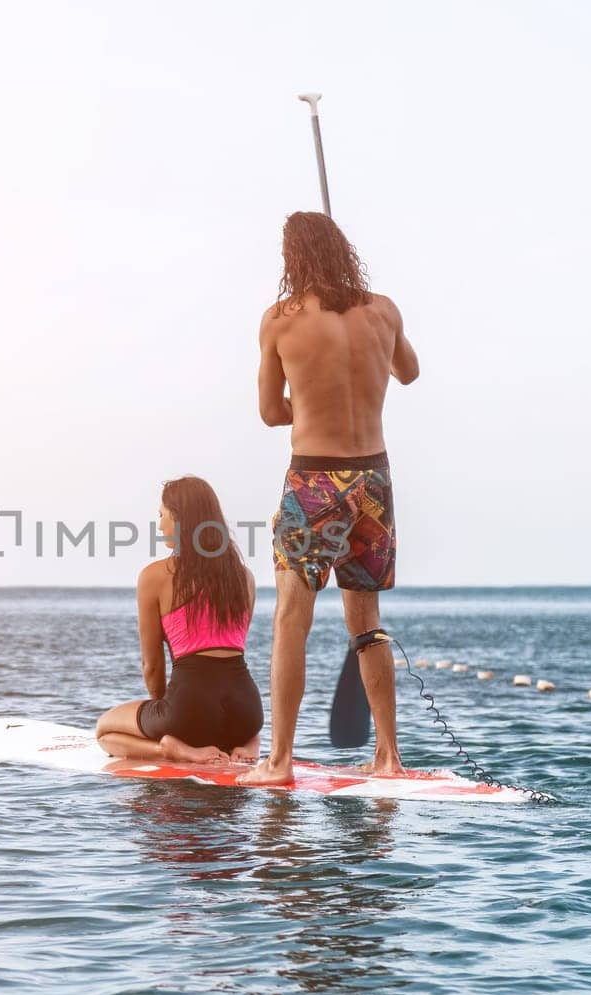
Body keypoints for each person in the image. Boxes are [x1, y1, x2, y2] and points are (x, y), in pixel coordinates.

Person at [238, 211, 421, 787]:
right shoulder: (384, 310)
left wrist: (311, 402)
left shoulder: (279, 322)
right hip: (373, 479)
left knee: (293, 617)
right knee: (365, 623)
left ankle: (281, 761)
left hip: (314, 480)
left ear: (292, 259)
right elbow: (409, 373)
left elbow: (271, 412)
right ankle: (388, 757)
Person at [96, 476, 263, 766]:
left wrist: (167, 713)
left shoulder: (155, 576)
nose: (159, 525)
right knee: (221, 718)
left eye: (162, 515)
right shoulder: (244, 577)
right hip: (247, 709)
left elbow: (152, 665)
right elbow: (231, 648)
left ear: (180, 518)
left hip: (189, 707)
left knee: (105, 729)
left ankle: (169, 750)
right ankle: (249, 743)